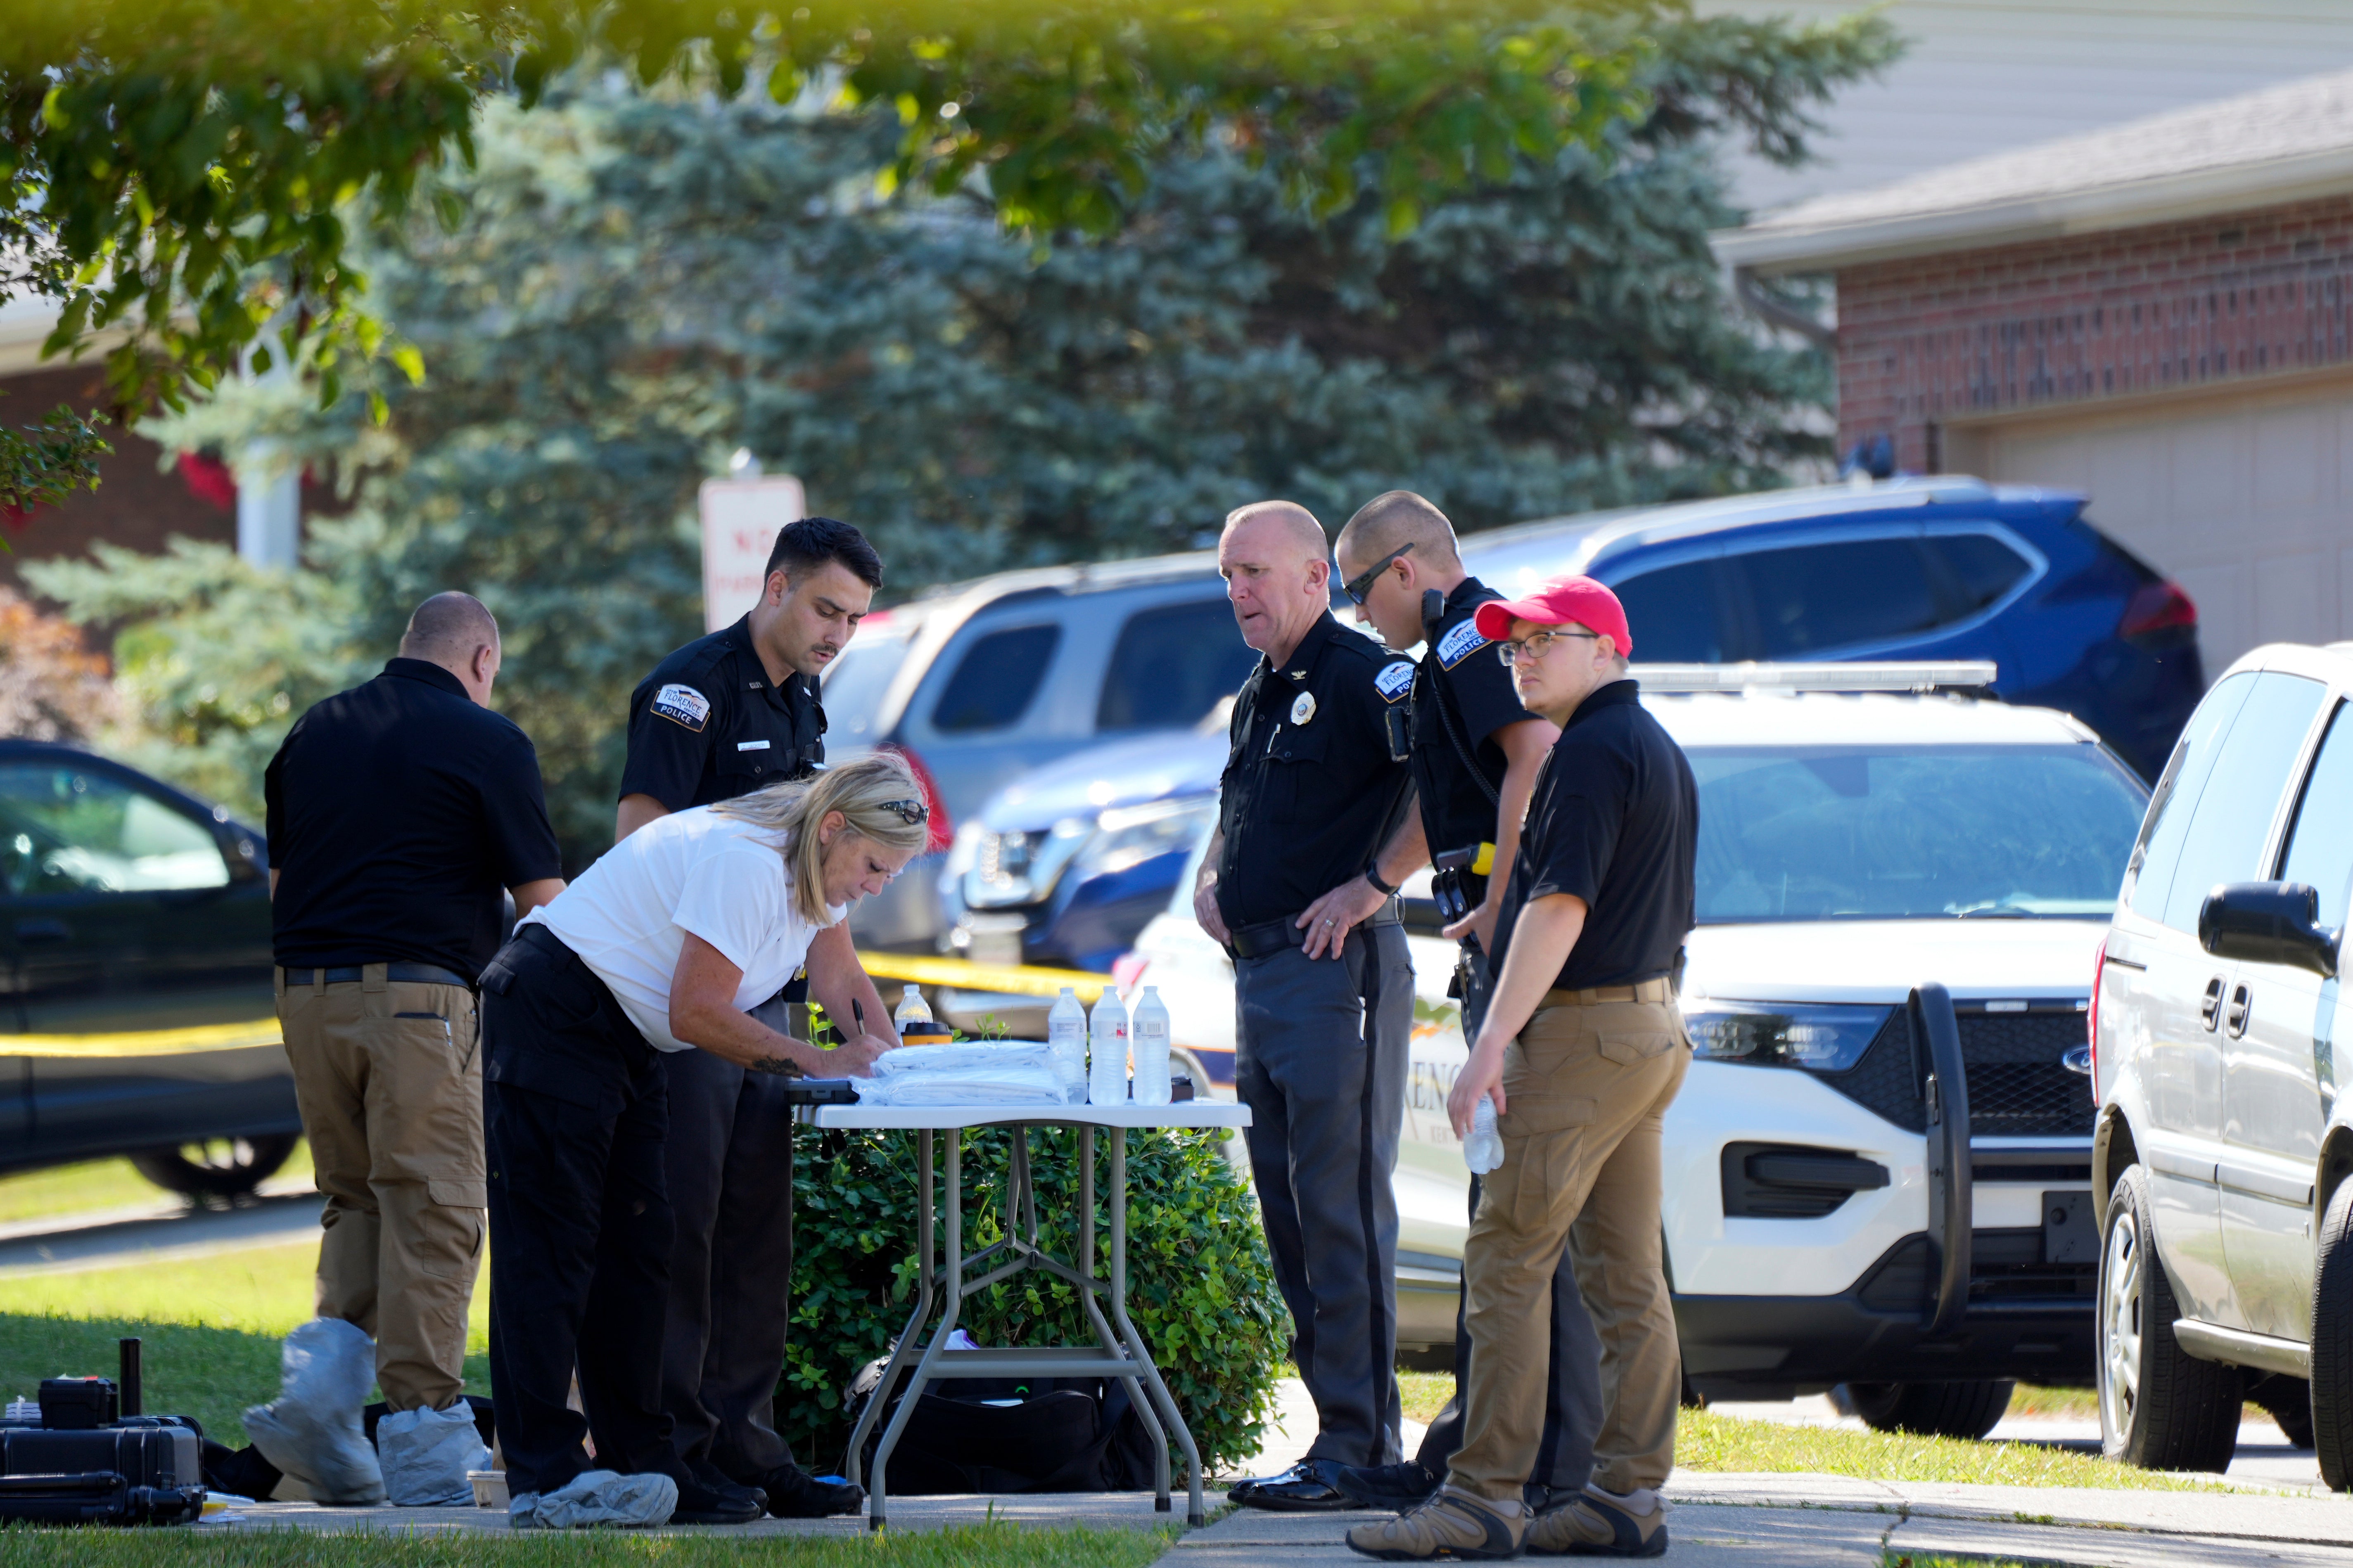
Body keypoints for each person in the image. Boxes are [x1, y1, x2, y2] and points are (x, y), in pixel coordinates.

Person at [1347, 576, 1698, 1561]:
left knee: (1504, 1262)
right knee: (1624, 1279)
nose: (1525, 657)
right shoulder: (1651, 748)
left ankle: (1481, 1498)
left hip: (1584, 1039)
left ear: (1608, 651)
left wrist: (1491, 1044)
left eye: (1550, 640)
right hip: (1644, 1031)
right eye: (1514, 646)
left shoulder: (1588, 756)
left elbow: (1559, 909)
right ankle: (1628, 1497)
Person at [479, 753, 923, 1529]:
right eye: (876, 866)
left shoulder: (815, 866)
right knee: (551, 1252)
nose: (879, 884)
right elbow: (698, 1011)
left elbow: (841, 979)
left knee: (642, 1255)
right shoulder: (746, 863)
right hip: (557, 1009)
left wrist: (900, 1074)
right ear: (833, 829)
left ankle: (648, 1466)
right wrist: (825, 1062)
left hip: (628, 1033)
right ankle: (545, 1475)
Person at [254, 592, 567, 1506]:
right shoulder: (488, 740)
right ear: (480, 658)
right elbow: (543, 902)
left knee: (354, 1200)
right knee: (435, 1203)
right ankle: (426, 1439)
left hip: (305, 994)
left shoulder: (315, 730)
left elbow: (284, 883)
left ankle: (320, 1407)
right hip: (420, 1001)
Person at [1325, 492, 1596, 1518]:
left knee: (1523, 1216)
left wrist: (1498, 897)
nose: (1359, 617)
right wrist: (1381, 883)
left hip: (1511, 941)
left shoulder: (1472, 641)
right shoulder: (1444, 650)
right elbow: (1449, 798)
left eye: (1359, 592)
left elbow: (1532, 757)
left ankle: (1544, 1463)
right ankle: (1473, 1445)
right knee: (1501, 1213)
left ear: (1405, 570)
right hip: (1487, 931)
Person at [616, 516, 892, 1520]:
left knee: (752, 1236)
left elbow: (810, 882)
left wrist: (856, 1011)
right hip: (691, 1010)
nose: (836, 634)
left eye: (853, 619)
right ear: (775, 586)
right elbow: (642, 841)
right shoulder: (689, 689)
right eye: (825, 608)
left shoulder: (802, 702)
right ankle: (678, 1455)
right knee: (683, 1232)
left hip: (765, 1005)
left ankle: (746, 1443)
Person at [1195, 500, 1418, 1511]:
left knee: (1339, 1212)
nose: (1237, 592)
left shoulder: (1368, 677)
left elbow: (1442, 786)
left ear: (1314, 578)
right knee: (1286, 1212)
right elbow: (1238, 809)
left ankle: (1363, 1447)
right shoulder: (1259, 691)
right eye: (1226, 575)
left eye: (1253, 572)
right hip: (1261, 974)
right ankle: (1332, 1433)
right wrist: (1212, 878)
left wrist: (1373, 884)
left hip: (1338, 974)